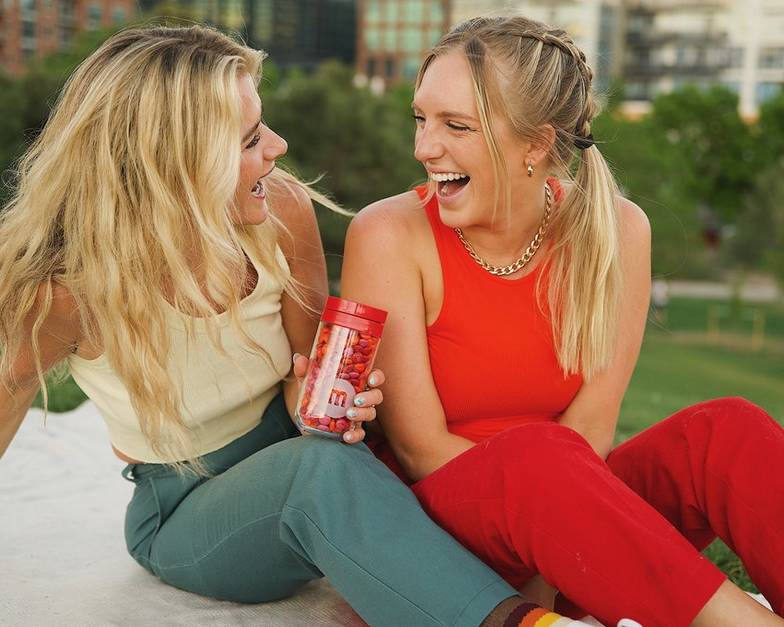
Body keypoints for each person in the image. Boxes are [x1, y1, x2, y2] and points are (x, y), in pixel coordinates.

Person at [0, 24, 596, 627]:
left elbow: (304, 379)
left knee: (372, 449)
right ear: (175, 162)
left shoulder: (279, 209)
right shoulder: (66, 295)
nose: (279, 146)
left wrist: (335, 399)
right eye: (252, 138)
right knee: (318, 473)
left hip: (306, 457)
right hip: (186, 512)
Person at [340, 15, 784, 627]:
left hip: (582, 530)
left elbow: (593, 430)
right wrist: (547, 554)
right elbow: (420, 450)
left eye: (455, 126)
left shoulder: (619, 231)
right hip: (447, 541)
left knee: (728, 430)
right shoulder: (387, 235)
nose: (423, 147)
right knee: (540, 454)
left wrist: (570, 554)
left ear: (537, 145)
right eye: (421, 118)